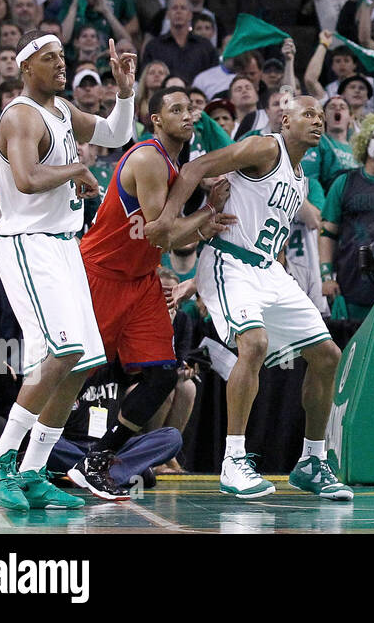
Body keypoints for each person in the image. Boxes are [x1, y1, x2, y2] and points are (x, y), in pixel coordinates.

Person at [144, 95, 347, 500]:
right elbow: (196, 167)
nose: (318, 122)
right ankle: (233, 461)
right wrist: (168, 220)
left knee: (328, 356)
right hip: (229, 262)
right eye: (308, 114)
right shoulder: (264, 147)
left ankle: (311, 460)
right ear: (285, 120)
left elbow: (269, 228)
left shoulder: (300, 177)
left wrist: (282, 268)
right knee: (253, 343)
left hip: (268, 269)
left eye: (321, 116)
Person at [0, 32, 139, 510]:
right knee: (62, 353)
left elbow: (114, 134)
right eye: (50, 59)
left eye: (63, 57)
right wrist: (75, 170)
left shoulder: (62, 110)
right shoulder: (21, 115)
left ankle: (32, 470)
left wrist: (124, 92)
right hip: (28, 243)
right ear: (27, 68)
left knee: (82, 361)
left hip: (64, 245)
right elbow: (26, 180)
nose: (61, 65)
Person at [65, 85, 235, 499]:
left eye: (191, 109)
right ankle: (14, 450)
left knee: (163, 375)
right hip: (101, 274)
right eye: (176, 109)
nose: (188, 115)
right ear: (155, 119)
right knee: (71, 373)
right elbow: (164, 234)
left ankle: (98, 460)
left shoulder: (177, 168)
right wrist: (207, 212)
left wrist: (203, 214)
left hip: (140, 280)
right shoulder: (147, 157)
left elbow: (164, 238)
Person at [319, 112, 374, 322]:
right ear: (364, 141)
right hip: (350, 282)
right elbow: (327, 232)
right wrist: (326, 276)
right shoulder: (344, 182)